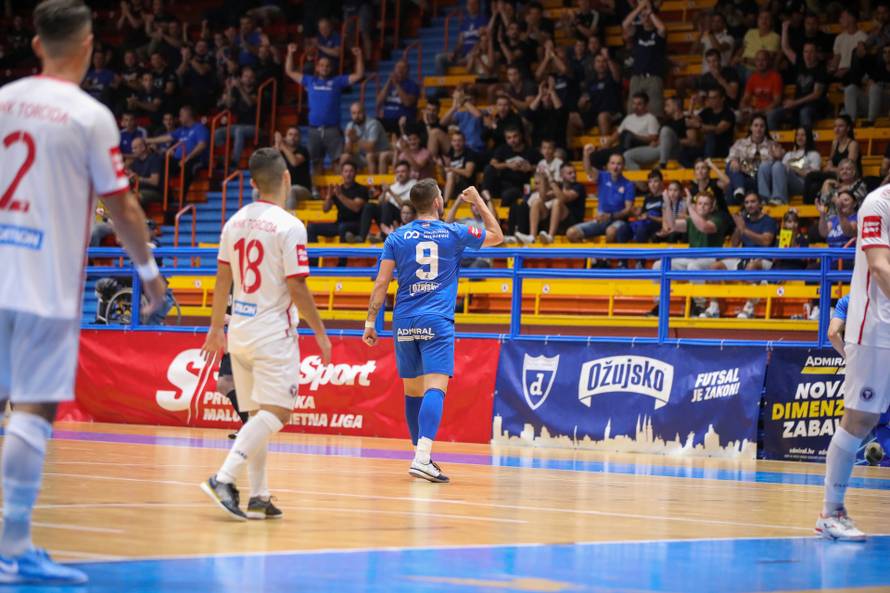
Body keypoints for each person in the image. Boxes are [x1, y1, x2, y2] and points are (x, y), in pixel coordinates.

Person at [0, 0, 166, 584]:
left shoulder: (1, 102)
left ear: (38, 44)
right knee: (33, 410)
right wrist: (147, 274)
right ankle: (13, 546)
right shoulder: (89, 115)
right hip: (44, 283)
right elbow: (120, 203)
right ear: (90, 45)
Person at [200, 148, 331, 521]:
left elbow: (222, 278)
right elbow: (298, 287)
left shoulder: (234, 222)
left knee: (256, 413)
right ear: (287, 179)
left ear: (253, 184)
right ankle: (223, 477)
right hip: (273, 333)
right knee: (278, 411)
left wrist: (214, 328)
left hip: (238, 329)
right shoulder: (290, 225)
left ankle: (259, 496)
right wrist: (321, 334)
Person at [362, 182, 503, 482]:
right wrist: (477, 199)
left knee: (412, 391)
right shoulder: (453, 233)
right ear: (438, 201)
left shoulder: (396, 237)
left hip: (404, 320)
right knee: (435, 387)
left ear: (413, 205)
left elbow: (381, 284)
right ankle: (423, 457)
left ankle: (418, 455)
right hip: (437, 320)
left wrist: (370, 322)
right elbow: (497, 236)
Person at [816, 183, 890, 541]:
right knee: (860, 418)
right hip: (875, 327)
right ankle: (831, 511)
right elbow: (878, 266)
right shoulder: (878, 204)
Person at [285, 46, 364, 174]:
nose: (324, 68)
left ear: (331, 68)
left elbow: (359, 75)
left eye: (327, 66)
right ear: (317, 67)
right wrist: (289, 53)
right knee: (316, 161)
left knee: (337, 162)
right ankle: (316, 192)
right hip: (314, 129)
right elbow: (289, 71)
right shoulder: (310, 81)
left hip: (332, 129)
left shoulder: (337, 81)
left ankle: (338, 190)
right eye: (322, 65)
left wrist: (359, 55)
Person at [704, 192, 777, 319]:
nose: (750, 205)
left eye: (753, 201)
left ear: (760, 204)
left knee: (751, 267)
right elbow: (734, 243)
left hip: (763, 259)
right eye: (747, 202)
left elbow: (766, 241)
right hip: (743, 257)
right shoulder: (744, 222)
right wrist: (739, 228)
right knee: (714, 267)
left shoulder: (768, 221)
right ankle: (714, 307)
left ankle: (749, 308)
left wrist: (745, 230)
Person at [568, 151, 634, 243]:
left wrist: (610, 216)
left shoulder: (628, 184)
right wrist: (586, 155)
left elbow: (628, 210)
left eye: (619, 164)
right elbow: (588, 169)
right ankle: (591, 256)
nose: (615, 167)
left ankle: (605, 257)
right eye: (613, 163)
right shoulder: (602, 176)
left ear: (623, 166)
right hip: (600, 220)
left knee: (611, 231)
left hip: (619, 221)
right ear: (608, 165)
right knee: (572, 233)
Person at [519, 161, 586, 244]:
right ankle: (532, 236)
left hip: (572, 224)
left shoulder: (578, 186)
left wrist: (551, 180)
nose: (574, 175)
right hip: (556, 222)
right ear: (562, 175)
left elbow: (563, 198)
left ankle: (550, 236)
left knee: (557, 202)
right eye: (570, 173)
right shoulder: (559, 185)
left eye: (574, 172)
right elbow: (543, 198)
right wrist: (543, 178)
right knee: (537, 202)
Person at [622, 0, 667, 116]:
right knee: (632, 112)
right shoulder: (638, 31)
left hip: (654, 78)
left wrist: (650, 12)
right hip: (637, 77)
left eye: (648, 16)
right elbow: (625, 25)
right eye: (643, 16)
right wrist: (640, 8)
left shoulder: (658, 33)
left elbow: (662, 28)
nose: (645, 18)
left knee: (655, 112)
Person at [308, 160, 369, 243]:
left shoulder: (361, 189)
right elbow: (325, 209)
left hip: (356, 225)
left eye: (351, 171)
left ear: (355, 173)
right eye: (346, 171)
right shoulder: (338, 189)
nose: (348, 174)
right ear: (342, 174)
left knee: (343, 228)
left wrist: (340, 195)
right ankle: (314, 256)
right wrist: (329, 196)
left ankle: (342, 256)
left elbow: (356, 207)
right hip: (339, 224)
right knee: (311, 227)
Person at [758, 127, 821, 205]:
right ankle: (764, 198)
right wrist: (776, 158)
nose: (799, 138)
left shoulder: (814, 154)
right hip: (786, 183)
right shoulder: (789, 154)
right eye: (797, 135)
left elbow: (814, 175)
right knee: (765, 166)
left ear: (808, 137)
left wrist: (794, 169)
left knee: (778, 165)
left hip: (803, 184)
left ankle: (780, 199)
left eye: (803, 135)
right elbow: (780, 171)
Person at [341, 102, 389, 174]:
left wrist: (355, 139)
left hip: (379, 155)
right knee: (344, 157)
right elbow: (347, 151)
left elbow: (371, 148)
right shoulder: (350, 125)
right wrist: (350, 140)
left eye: (359, 113)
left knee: (369, 156)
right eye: (354, 113)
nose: (356, 116)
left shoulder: (373, 124)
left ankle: (373, 184)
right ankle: (342, 183)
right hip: (362, 157)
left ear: (364, 112)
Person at [274, 127, 312, 210]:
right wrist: (277, 144)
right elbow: (274, 164)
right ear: (286, 137)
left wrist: (282, 145)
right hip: (283, 189)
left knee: (290, 190)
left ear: (299, 138)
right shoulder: (281, 151)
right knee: (257, 192)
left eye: (295, 135)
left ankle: (288, 222)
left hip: (303, 190)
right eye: (290, 134)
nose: (293, 137)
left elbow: (294, 162)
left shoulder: (303, 150)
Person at [129, 136, 163, 209]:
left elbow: (155, 181)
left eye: (135, 148)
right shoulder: (135, 162)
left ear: (143, 147)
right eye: (132, 148)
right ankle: (101, 219)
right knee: (108, 198)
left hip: (155, 191)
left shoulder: (154, 159)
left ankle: (136, 220)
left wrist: (138, 178)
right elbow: (132, 178)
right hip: (139, 190)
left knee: (132, 198)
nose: (133, 151)